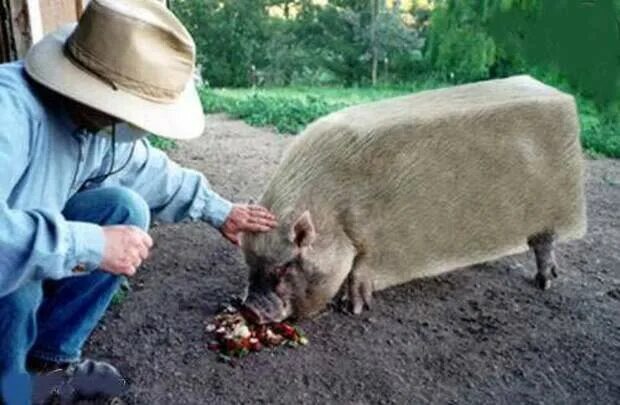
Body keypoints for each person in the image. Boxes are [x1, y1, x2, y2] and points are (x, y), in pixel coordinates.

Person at [0, 0, 277, 402]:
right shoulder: (9, 112)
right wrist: (91, 244)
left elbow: (146, 169)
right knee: (19, 287)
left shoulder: (94, 121)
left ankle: (47, 366)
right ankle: (12, 389)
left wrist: (221, 211)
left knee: (125, 208)